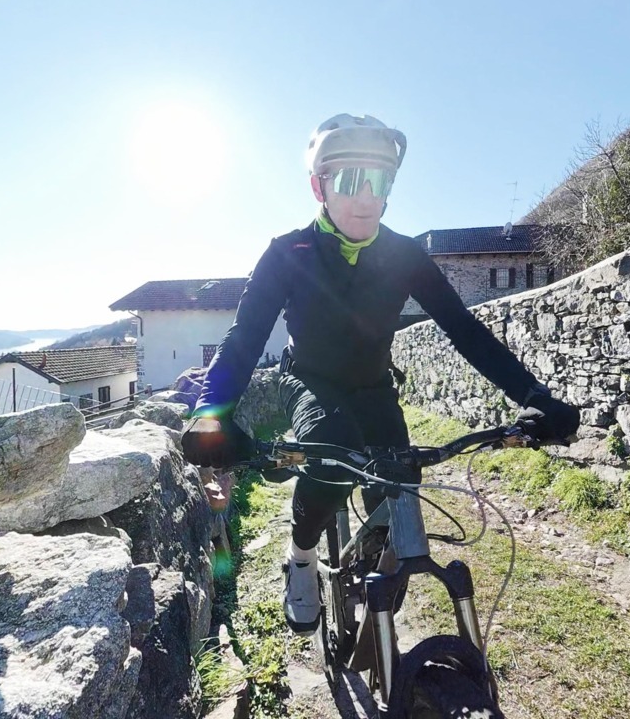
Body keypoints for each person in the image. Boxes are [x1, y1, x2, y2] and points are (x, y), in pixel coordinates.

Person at [181, 113, 580, 633]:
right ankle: (301, 558)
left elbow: (465, 330)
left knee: (401, 489)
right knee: (331, 457)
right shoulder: (288, 252)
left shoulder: (404, 254)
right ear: (319, 187)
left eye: (380, 180)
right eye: (351, 180)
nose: (367, 196)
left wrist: (535, 396)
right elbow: (244, 338)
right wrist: (211, 414)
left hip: (374, 386)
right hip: (310, 381)